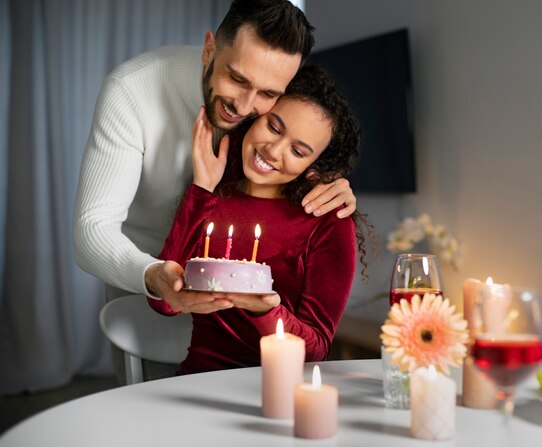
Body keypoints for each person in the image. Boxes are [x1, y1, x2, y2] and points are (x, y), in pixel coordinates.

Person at [73, 0, 357, 315]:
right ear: (209, 50)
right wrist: (154, 275)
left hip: (234, 295)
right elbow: (93, 229)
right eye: (237, 79)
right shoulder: (130, 90)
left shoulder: (269, 114)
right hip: (140, 273)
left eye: (268, 94)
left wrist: (334, 182)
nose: (245, 106)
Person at [148, 65, 369, 373]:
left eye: (298, 150)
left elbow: (315, 349)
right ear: (256, 115)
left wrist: (265, 309)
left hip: (279, 389)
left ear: (315, 165)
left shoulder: (328, 220)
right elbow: (163, 303)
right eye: (274, 127)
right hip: (198, 381)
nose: (273, 150)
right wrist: (201, 190)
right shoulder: (211, 196)